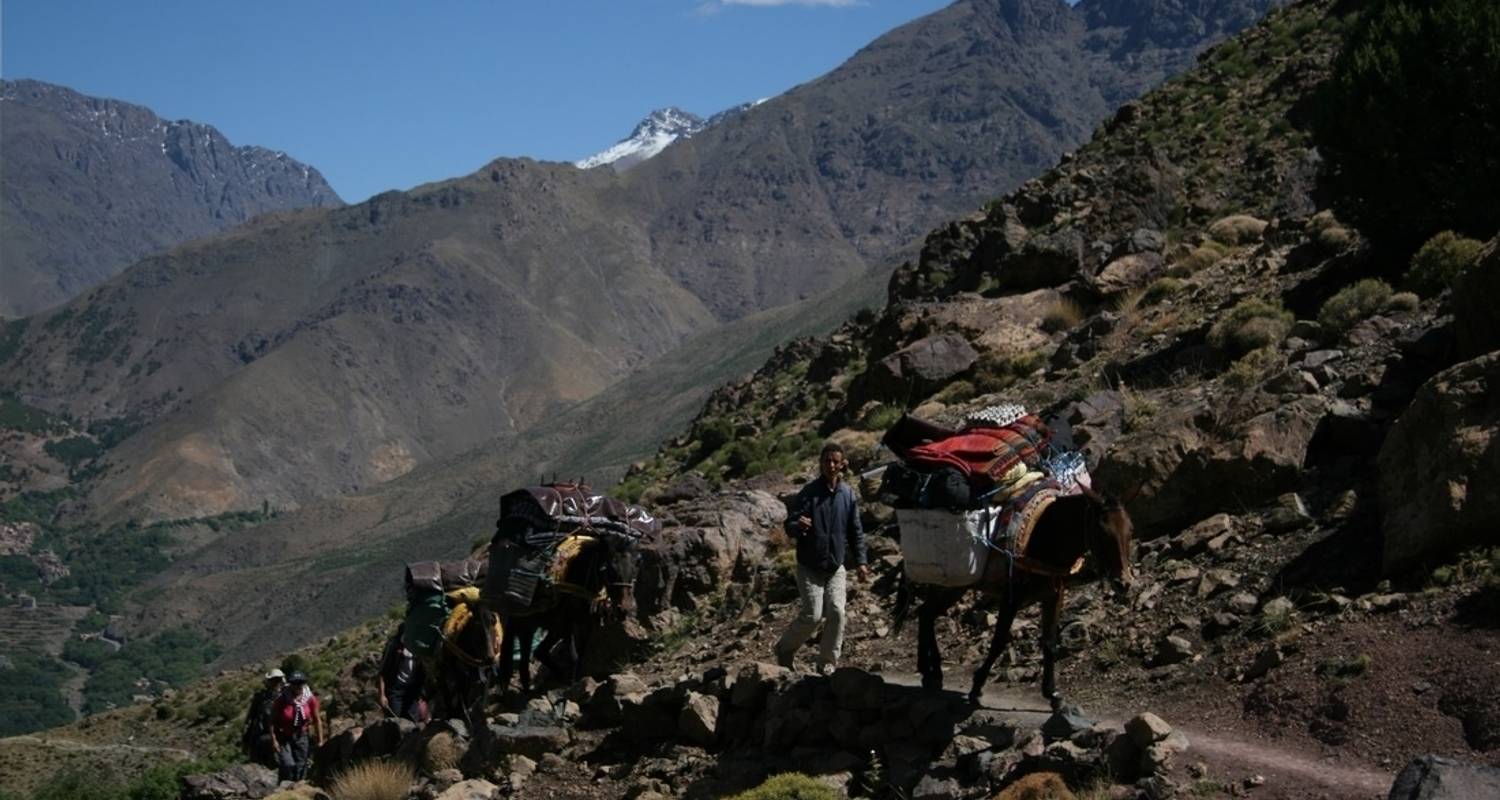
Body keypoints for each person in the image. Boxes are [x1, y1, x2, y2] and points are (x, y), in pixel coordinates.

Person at [775, 442, 869, 674]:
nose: (830, 465)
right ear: (821, 463)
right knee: (813, 615)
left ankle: (826, 662)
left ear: (842, 464)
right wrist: (798, 524)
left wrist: (861, 562)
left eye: (835, 461)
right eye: (826, 460)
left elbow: (855, 530)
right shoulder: (809, 492)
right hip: (810, 565)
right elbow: (790, 524)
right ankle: (784, 649)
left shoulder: (847, 495)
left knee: (837, 611)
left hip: (835, 565)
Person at [268, 672, 324, 782]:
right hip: (284, 736)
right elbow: (271, 721)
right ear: (290, 684)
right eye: (295, 683)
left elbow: (317, 720)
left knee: (301, 765)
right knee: (288, 764)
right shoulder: (282, 699)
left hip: (301, 735)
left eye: (300, 683)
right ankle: (284, 784)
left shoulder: (310, 699)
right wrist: (274, 740)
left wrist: (320, 740)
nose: (298, 685)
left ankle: (297, 788)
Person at [378, 625, 429, 723]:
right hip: (395, 690)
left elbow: (423, 670)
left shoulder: (418, 647)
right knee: (395, 721)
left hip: (412, 689)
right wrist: (382, 695)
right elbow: (382, 672)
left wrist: (422, 696)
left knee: (413, 720)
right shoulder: (394, 647)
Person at [240, 669, 284, 767]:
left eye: (277, 680)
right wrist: (246, 734)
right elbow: (251, 715)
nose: (275, 682)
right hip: (260, 732)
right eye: (273, 680)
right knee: (258, 760)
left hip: (280, 733)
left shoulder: (286, 696)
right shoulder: (260, 697)